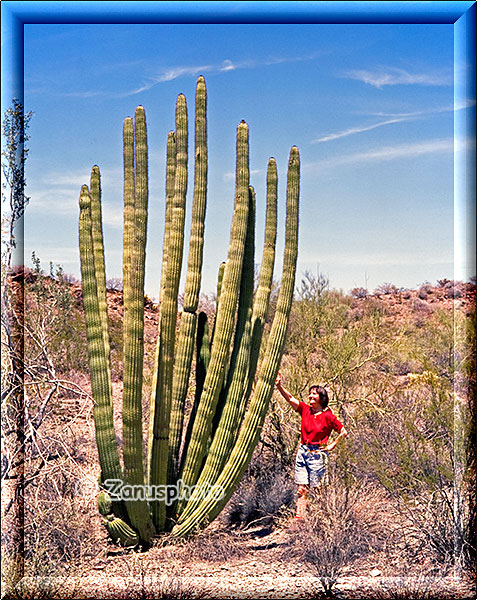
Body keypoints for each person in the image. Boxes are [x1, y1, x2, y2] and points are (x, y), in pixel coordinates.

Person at [274, 372, 348, 519]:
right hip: (303, 451)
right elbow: (290, 398)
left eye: (314, 394)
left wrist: (333, 444)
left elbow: (343, 431)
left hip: (317, 453)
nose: (310, 396)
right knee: (302, 488)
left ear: (321, 397)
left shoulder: (328, 416)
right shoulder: (305, 410)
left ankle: (322, 516)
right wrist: (279, 386)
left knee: (317, 488)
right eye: (310, 394)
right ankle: (299, 518)